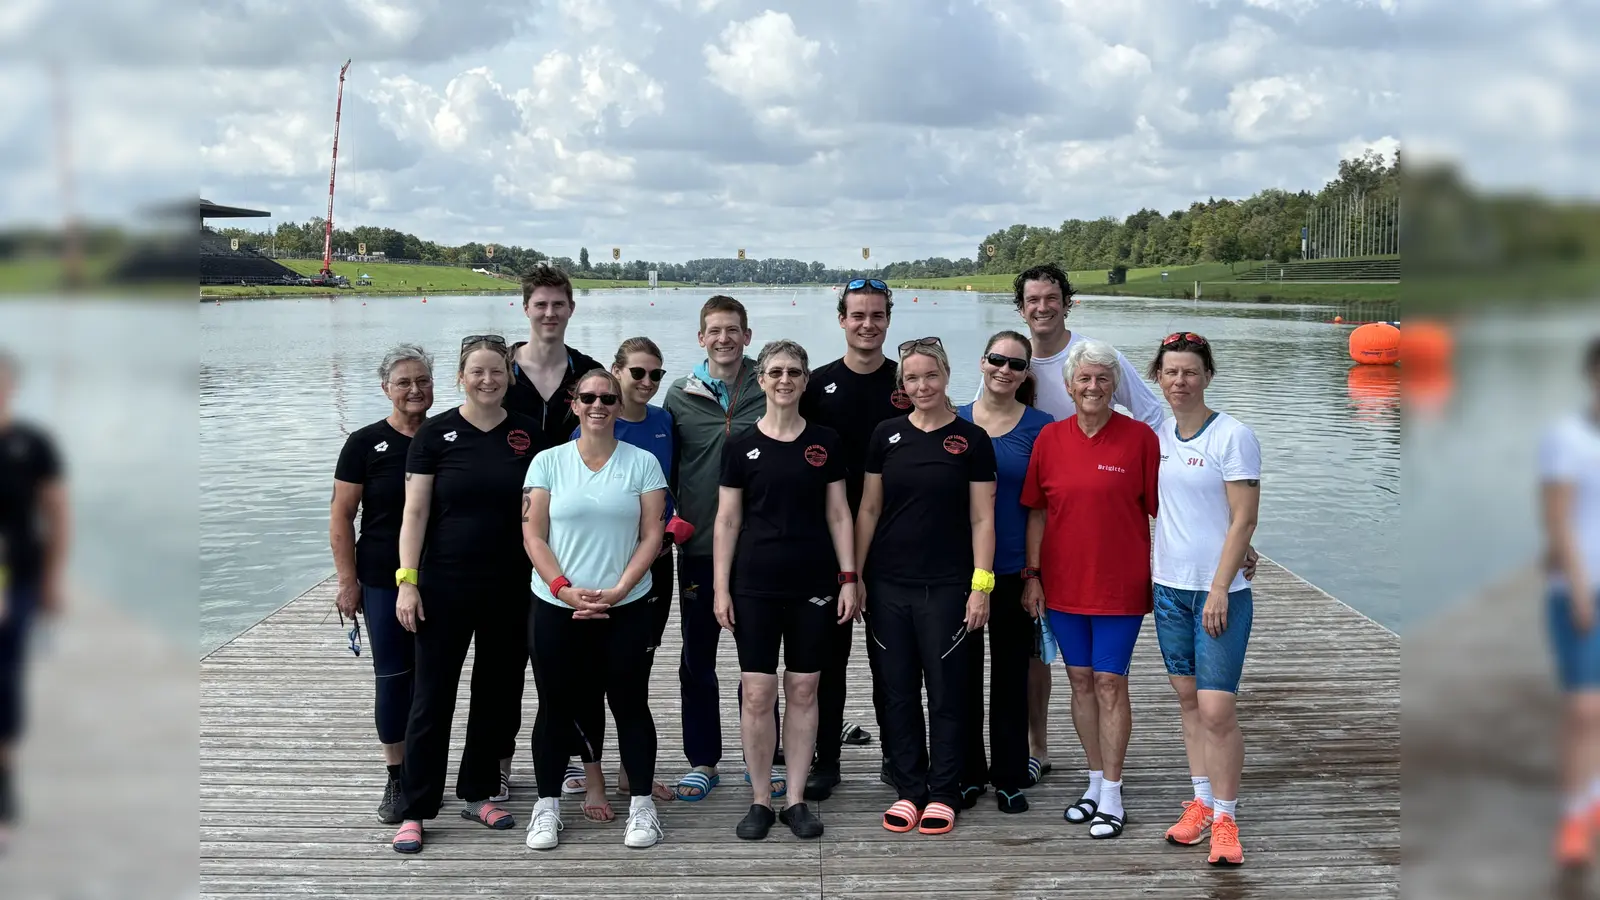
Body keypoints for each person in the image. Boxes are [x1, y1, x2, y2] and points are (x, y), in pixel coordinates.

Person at [977, 264, 1164, 789]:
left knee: (1065, 662)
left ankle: (1077, 765)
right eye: (1033, 298)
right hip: (1029, 518)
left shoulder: (1098, 356)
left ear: (1066, 302)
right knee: (1046, 655)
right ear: (1021, 306)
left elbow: (1153, 419)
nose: (1042, 306)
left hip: (1094, 518)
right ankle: (1038, 746)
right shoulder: (1008, 356)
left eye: (1052, 297)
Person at [389, 336, 539, 854]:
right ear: (461, 376)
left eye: (497, 371)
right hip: (443, 585)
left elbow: (539, 514)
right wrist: (407, 581)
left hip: (510, 585)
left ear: (508, 376)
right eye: (477, 371)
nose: (488, 380)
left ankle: (478, 791)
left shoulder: (526, 433)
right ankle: (416, 807)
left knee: (496, 693)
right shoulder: (435, 434)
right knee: (432, 697)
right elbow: (415, 513)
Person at [714, 340, 860, 841]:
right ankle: (760, 798)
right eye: (775, 371)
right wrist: (720, 588)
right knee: (756, 693)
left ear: (805, 380)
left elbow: (839, 513)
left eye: (794, 372)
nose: (785, 380)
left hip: (813, 583)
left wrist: (849, 576)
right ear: (761, 379)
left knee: (803, 688)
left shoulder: (825, 441)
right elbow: (727, 520)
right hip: (753, 584)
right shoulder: (739, 447)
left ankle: (796, 798)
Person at [522, 369, 669, 851]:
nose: (599, 405)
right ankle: (546, 807)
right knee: (555, 706)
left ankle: (642, 805)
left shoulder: (643, 462)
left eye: (608, 396)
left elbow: (653, 534)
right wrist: (564, 590)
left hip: (624, 605)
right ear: (575, 402)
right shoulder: (547, 462)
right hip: (557, 605)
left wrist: (620, 588)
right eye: (589, 397)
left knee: (630, 703)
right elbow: (534, 534)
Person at [856, 337, 996, 836]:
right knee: (895, 691)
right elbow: (869, 510)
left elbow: (983, 518)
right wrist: (855, 575)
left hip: (950, 586)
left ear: (946, 376)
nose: (921, 386)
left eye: (930, 376)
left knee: (948, 692)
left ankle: (945, 789)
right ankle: (909, 788)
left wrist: (981, 585)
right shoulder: (885, 435)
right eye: (911, 378)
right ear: (902, 384)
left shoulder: (971, 439)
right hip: (888, 585)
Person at [1021, 338, 1159, 840]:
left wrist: (1238, 544)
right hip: (1061, 586)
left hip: (1119, 587)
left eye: (1103, 378)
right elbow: (1037, 512)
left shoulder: (1140, 439)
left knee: (1110, 683)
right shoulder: (1050, 440)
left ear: (1115, 385)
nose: (1094, 387)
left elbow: (1171, 509)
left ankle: (1115, 793)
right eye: (1085, 379)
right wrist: (1032, 576)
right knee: (1079, 681)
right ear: (1069, 385)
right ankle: (1095, 781)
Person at [1147, 332, 1260, 867]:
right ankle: (1201, 802)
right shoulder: (1158, 432)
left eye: (1190, 372)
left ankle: (1227, 818)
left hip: (1220, 592)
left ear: (1207, 375)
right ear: (1159, 377)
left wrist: (1221, 583)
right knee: (1188, 701)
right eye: (1170, 372)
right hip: (1168, 587)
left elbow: (1244, 517)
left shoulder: (1233, 435)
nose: (1180, 381)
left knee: (1218, 708)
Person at [799, 277, 906, 799]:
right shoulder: (817, 385)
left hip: (895, 538)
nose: (867, 324)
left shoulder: (908, 383)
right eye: (858, 315)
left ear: (889, 320)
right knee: (829, 657)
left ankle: (897, 754)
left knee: (892, 657)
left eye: (877, 315)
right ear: (841, 320)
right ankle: (827, 758)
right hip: (830, 540)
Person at [663, 295, 772, 802]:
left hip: (761, 546)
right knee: (697, 658)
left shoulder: (770, 383)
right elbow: (664, 468)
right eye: (714, 330)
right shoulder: (679, 395)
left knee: (760, 662)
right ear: (700, 337)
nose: (724, 338)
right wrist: (668, 521)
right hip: (701, 547)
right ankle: (703, 759)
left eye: (733, 330)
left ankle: (763, 760)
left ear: (747, 336)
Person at [504, 264, 605, 804]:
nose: (549, 313)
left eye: (558, 304)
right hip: (505, 538)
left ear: (570, 309)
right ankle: (498, 761)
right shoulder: (501, 371)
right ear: (526, 309)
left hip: (572, 542)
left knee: (574, 661)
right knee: (505, 659)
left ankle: (574, 761)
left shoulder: (586, 375)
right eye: (539, 304)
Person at [562, 338, 678, 805]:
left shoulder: (665, 421)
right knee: (589, 677)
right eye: (637, 374)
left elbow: (673, 486)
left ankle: (633, 774)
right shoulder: (584, 433)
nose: (647, 383)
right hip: (597, 571)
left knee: (636, 674)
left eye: (656, 375)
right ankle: (592, 776)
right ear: (615, 372)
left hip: (653, 565)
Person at [330, 344, 435, 824]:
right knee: (394, 677)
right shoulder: (364, 443)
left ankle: (438, 773)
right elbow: (341, 516)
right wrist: (347, 582)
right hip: (380, 577)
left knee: (436, 681)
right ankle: (397, 778)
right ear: (385, 389)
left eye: (423, 381)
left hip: (444, 576)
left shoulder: (446, 435)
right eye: (404, 383)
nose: (415, 390)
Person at [956, 331, 1054, 815]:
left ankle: (1010, 774)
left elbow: (1040, 508)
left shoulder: (1043, 427)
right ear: (982, 361)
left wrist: (1034, 573)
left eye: (1015, 365)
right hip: (962, 571)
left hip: (1015, 568)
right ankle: (970, 774)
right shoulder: (950, 419)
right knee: (962, 675)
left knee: (1012, 675)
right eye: (997, 359)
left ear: (1025, 375)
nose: (1004, 370)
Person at [0, 348, 68, 854]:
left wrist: (51, 581)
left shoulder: (33, 445)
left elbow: (57, 513)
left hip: (17, 581)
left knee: (6, 680)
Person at [1545, 336, 1600, 867]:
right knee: (1584, 708)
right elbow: (1559, 520)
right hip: (1580, 591)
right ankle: (1573, 813)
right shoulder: (1567, 438)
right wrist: (1581, 590)